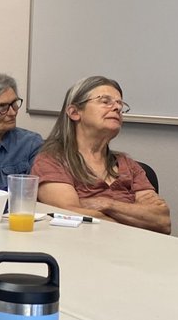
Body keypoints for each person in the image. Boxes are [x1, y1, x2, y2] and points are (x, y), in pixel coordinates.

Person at [31, 75, 170, 233]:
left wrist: (105, 204)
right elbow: (69, 214)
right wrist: (135, 215)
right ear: (75, 112)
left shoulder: (128, 165)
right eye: (105, 101)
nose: (117, 108)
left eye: (120, 104)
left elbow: (162, 221)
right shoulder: (52, 160)